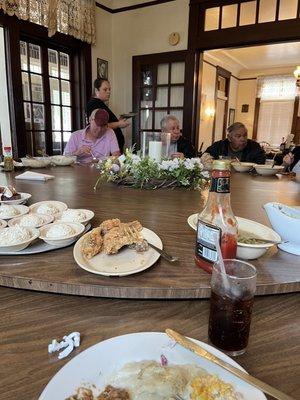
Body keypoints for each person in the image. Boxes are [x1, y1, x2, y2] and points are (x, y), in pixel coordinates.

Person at [86, 78, 130, 153]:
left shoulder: (100, 103)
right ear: (96, 90)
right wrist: (119, 124)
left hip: (113, 149)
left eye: (109, 89)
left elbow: (106, 122)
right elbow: (98, 126)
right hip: (107, 149)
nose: (108, 92)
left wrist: (118, 121)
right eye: (105, 89)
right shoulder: (94, 104)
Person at [201, 122, 266, 164]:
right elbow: (205, 158)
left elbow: (260, 164)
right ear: (229, 137)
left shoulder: (254, 147)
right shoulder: (218, 146)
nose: (243, 139)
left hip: (247, 181)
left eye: (245, 135)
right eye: (238, 136)